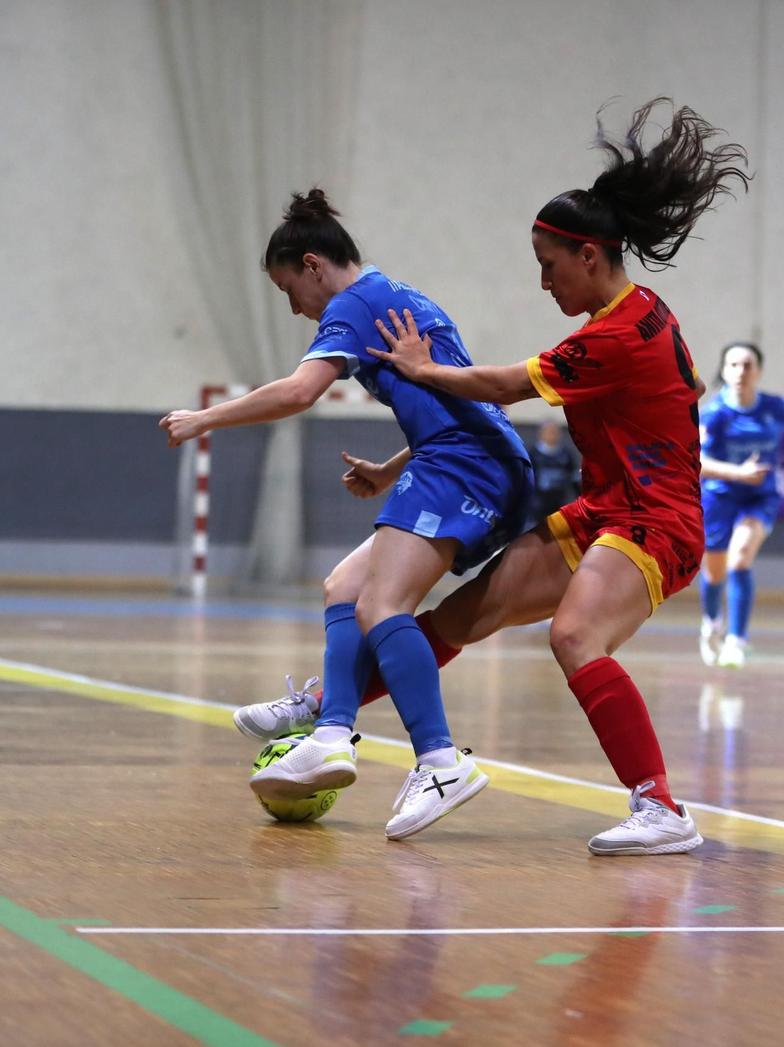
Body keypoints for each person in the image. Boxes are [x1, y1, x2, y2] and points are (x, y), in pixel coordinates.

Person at [239, 98, 747, 856]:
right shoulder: (642, 314)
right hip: (603, 510)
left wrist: (421, 368)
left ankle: (660, 807)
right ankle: (327, 708)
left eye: (548, 267)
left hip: (657, 521)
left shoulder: (613, 337)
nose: (544, 283)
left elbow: (506, 387)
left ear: (588, 256)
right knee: (453, 621)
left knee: (575, 636)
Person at [160, 190, 533, 840]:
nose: (295, 306)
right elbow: (449, 397)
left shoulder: (351, 305)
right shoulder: (398, 295)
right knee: (347, 588)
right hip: (473, 459)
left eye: (288, 289)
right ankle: (331, 732)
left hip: (464, 463)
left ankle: (440, 762)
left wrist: (205, 420)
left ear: (313, 265)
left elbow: (301, 391)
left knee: (382, 605)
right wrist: (392, 471)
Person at [697, 342, 784, 667]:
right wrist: (738, 473)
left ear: (758, 371)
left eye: (747, 365)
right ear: (724, 371)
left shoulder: (777, 408)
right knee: (713, 573)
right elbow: (694, 462)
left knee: (740, 557)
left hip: (760, 495)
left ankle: (736, 641)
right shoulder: (713, 414)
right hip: (719, 495)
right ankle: (712, 621)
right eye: (733, 365)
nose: (741, 372)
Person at [528, 420, 581, 527]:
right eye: (549, 432)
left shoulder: (565, 454)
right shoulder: (533, 454)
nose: (552, 435)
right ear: (541, 433)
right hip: (537, 504)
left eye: (555, 432)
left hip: (559, 501)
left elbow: (573, 478)